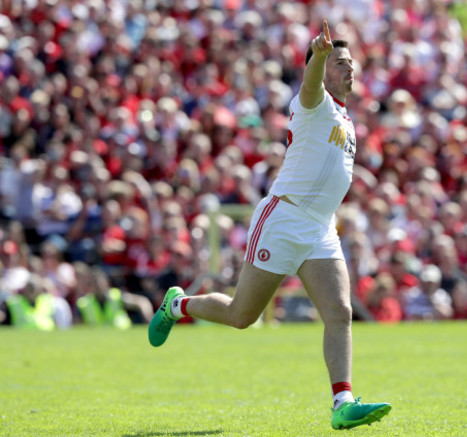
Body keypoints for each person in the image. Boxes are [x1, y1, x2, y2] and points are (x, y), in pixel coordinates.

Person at [148, 21, 391, 430]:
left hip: (319, 228)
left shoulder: (348, 122)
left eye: (352, 63)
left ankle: (342, 403)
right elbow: (312, 84)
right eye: (340, 62)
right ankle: (177, 304)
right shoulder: (314, 102)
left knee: (340, 311)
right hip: (283, 217)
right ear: (322, 67)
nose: (350, 69)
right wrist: (317, 56)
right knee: (243, 315)